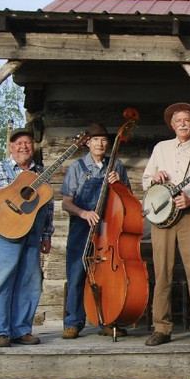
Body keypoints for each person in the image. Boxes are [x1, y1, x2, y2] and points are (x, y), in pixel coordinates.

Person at [141, 102, 190, 347]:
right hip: (163, 215)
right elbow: (145, 182)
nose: (182, 123)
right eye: (178, 121)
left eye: (187, 120)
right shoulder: (160, 148)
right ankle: (161, 327)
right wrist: (153, 178)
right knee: (162, 272)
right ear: (172, 125)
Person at [0, 128, 53, 348]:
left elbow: (48, 206)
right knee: (1, 281)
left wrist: (47, 235)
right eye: (18, 143)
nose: (23, 146)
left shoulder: (40, 173)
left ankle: (21, 329)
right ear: (11, 147)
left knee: (29, 282)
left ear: (32, 147)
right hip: (6, 231)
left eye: (27, 142)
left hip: (33, 233)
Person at [59, 123, 131, 339]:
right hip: (82, 226)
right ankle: (73, 322)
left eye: (103, 140)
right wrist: (83, 213)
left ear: (108, 143)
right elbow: (66, 203)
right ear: (87, 143)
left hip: (108, 228)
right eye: (95, 140)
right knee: (77, 273)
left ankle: (107, 320)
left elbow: (126, 198)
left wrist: (118, 185)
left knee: (106, 275)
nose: (100, 143)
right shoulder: (77, 167)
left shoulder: (115, 166)